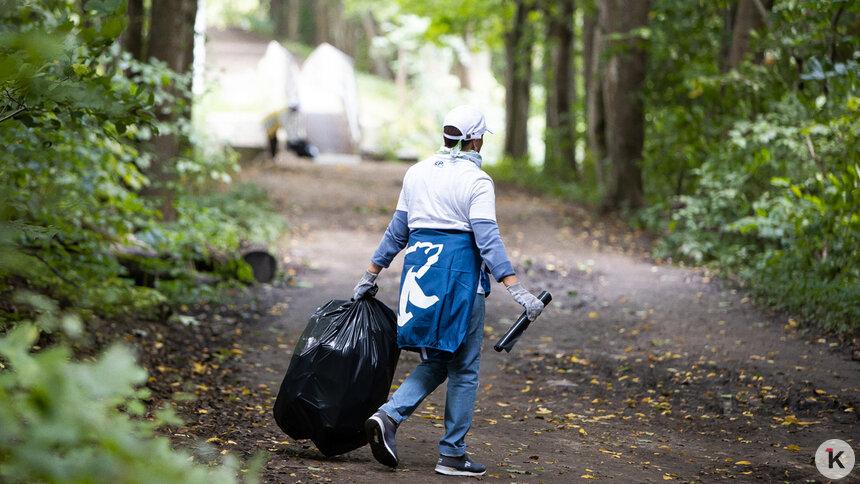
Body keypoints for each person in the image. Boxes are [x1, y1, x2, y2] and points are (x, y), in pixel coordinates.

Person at [353, 104, 545, 477]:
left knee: (439, 359)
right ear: (474, 139)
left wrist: (370, 273)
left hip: (421, 275)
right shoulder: (477, 181)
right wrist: (516, 289)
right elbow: (487, 239)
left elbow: (398, 232)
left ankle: (388, 416)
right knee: (465, 368)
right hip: (458, 277)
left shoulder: (417, 173)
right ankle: (452, 453)